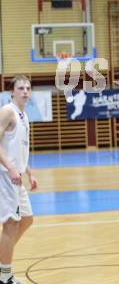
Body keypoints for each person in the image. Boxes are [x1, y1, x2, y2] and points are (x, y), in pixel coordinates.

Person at [0, 75, 38, 284]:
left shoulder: (24, 115)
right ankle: (5, 276)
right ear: (11, 92)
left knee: (26, 219)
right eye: (21, 88)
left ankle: (1, 262)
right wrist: (11, 167)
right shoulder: (7, 111)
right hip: (5, 175)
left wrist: (29, 171)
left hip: (17, 176)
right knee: (11, 223)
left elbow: (18, 150)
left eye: (28, 88)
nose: (25, 91)